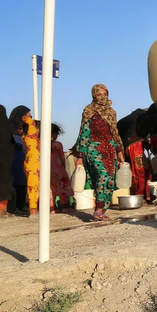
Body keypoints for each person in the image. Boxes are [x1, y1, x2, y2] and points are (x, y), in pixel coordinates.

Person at [73, 85, 125, 221]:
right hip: (93, 148)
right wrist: (80, 156)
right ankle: (98, 210)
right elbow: (84, 133)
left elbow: (114, 133)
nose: (102, 97)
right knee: (103, 176)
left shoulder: (111, 112)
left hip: (110, 149)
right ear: (93, 95)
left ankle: (103, 210)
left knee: (110, 180)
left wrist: (119, 152)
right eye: (99, 94)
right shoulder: (89, 111)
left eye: (104, 94)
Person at [14, 107, 40, 217]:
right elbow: (32, 124)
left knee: (35, 186)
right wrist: (27, 118)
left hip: (32, 164)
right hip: (33, 164)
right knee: (33, 187)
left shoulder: (27, 137)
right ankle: (33, 210)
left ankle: (34, 208)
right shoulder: (30, 137)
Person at [0, 105, 15, 219]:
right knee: (4, 183)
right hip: (5, 162)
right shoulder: (7, 128)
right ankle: (0, 210)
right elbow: (12, 144)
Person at [49, 123, 74, 212]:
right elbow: (62, 158)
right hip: (58, 169)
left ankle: (51, 208)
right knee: (63, 188)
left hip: (47, 169)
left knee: (50, 189)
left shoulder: (41, 143)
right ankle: (64, 207)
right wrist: (64, 167)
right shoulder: (58, 144)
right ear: (54, 134)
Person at [8, 107, 28, 214]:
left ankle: (21, 205)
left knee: (23, 182)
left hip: (23, 160)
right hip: (13, 159)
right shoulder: (8, 130)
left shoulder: (27, 131)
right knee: (14, 183)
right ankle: (13, 207)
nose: (28, 119)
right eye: (26, 116)